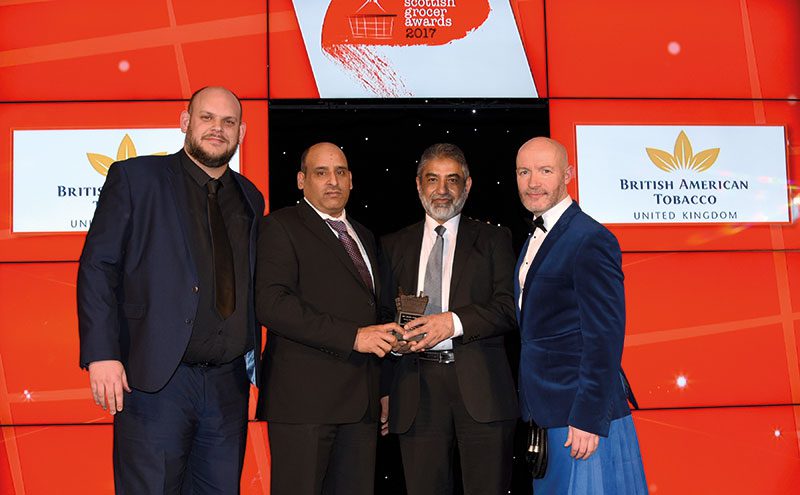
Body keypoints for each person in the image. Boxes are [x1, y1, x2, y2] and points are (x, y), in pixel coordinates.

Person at [77, 86, 265, 493]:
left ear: (241, 132)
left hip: (226, 387)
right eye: (207, 118)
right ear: (185, 123)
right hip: (156, 382)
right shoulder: (136, 178)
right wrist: (102, 354)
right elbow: (98, 266)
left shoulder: (250, 197)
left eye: (228, 122)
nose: (218, 129)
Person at [255, 142, 401, 495]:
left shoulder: (363, 235)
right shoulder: (280, 226)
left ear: (351, 180)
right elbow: (272, 304)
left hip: (361, 405)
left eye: (340, 172)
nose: (332, 181)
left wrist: (382, 389)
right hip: (304, 405)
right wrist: (353, 337)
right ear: (302, 181)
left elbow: (373, 315)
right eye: (321, 173)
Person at [379, 143, 519, 494]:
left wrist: (451, 322)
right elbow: (379, 315)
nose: (442, 190)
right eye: (432, 179)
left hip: (481, 388)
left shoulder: (494, 239)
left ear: (467, 185)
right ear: (418, 184)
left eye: (452, 180)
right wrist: (393, 347)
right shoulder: (392, 245)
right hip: (415, 389)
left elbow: (508, 308)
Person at [514, 137, 648, 494]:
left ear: (568, 175)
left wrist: (587, 418)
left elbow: (604, 336)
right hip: (548, 412)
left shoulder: (590, 238)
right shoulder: (537, 235)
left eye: (545, 171)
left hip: (579, 419)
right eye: (524, 172)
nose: (533, 182)